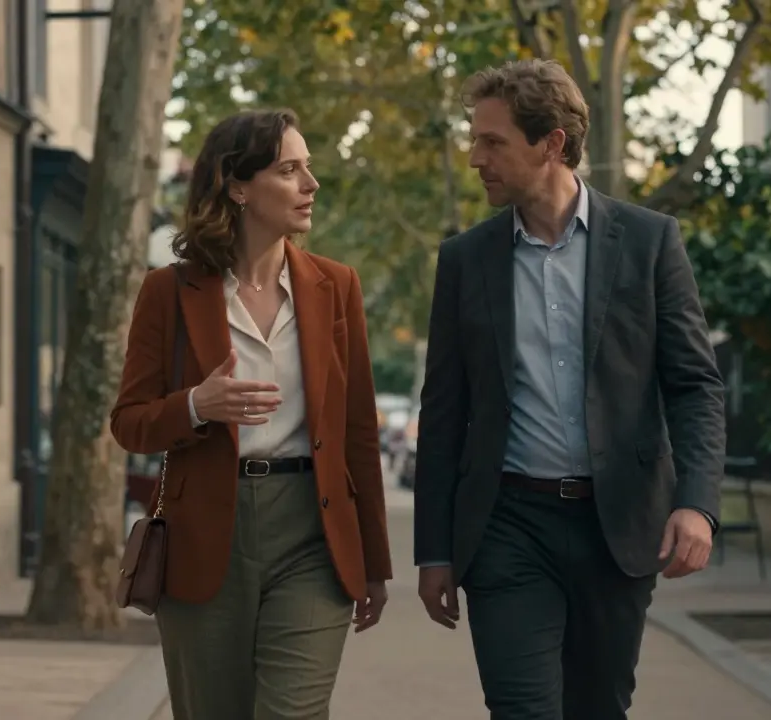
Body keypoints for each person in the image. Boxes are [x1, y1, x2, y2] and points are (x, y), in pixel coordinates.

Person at [413, 59, 726, 719]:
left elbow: (694, 384)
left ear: (551, 142)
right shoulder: (466, 260)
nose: (475, 158)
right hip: (507, 525)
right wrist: (435, 550)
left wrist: (697, 505)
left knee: (598, 708)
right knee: (522, 708)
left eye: (492, 141)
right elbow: (444, 413)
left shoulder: (648, 241)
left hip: (616, 527)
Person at [110, 108, 393, 720]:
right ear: (238, 187)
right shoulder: (170, 290)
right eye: (290, 170)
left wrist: (373, 561)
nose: (310, 185)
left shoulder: (336, 286)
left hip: (312, 533)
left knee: (292, 712)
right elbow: (129, 421)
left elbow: (358, 434)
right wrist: (194, 406)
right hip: (207, 531)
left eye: (308, 168)